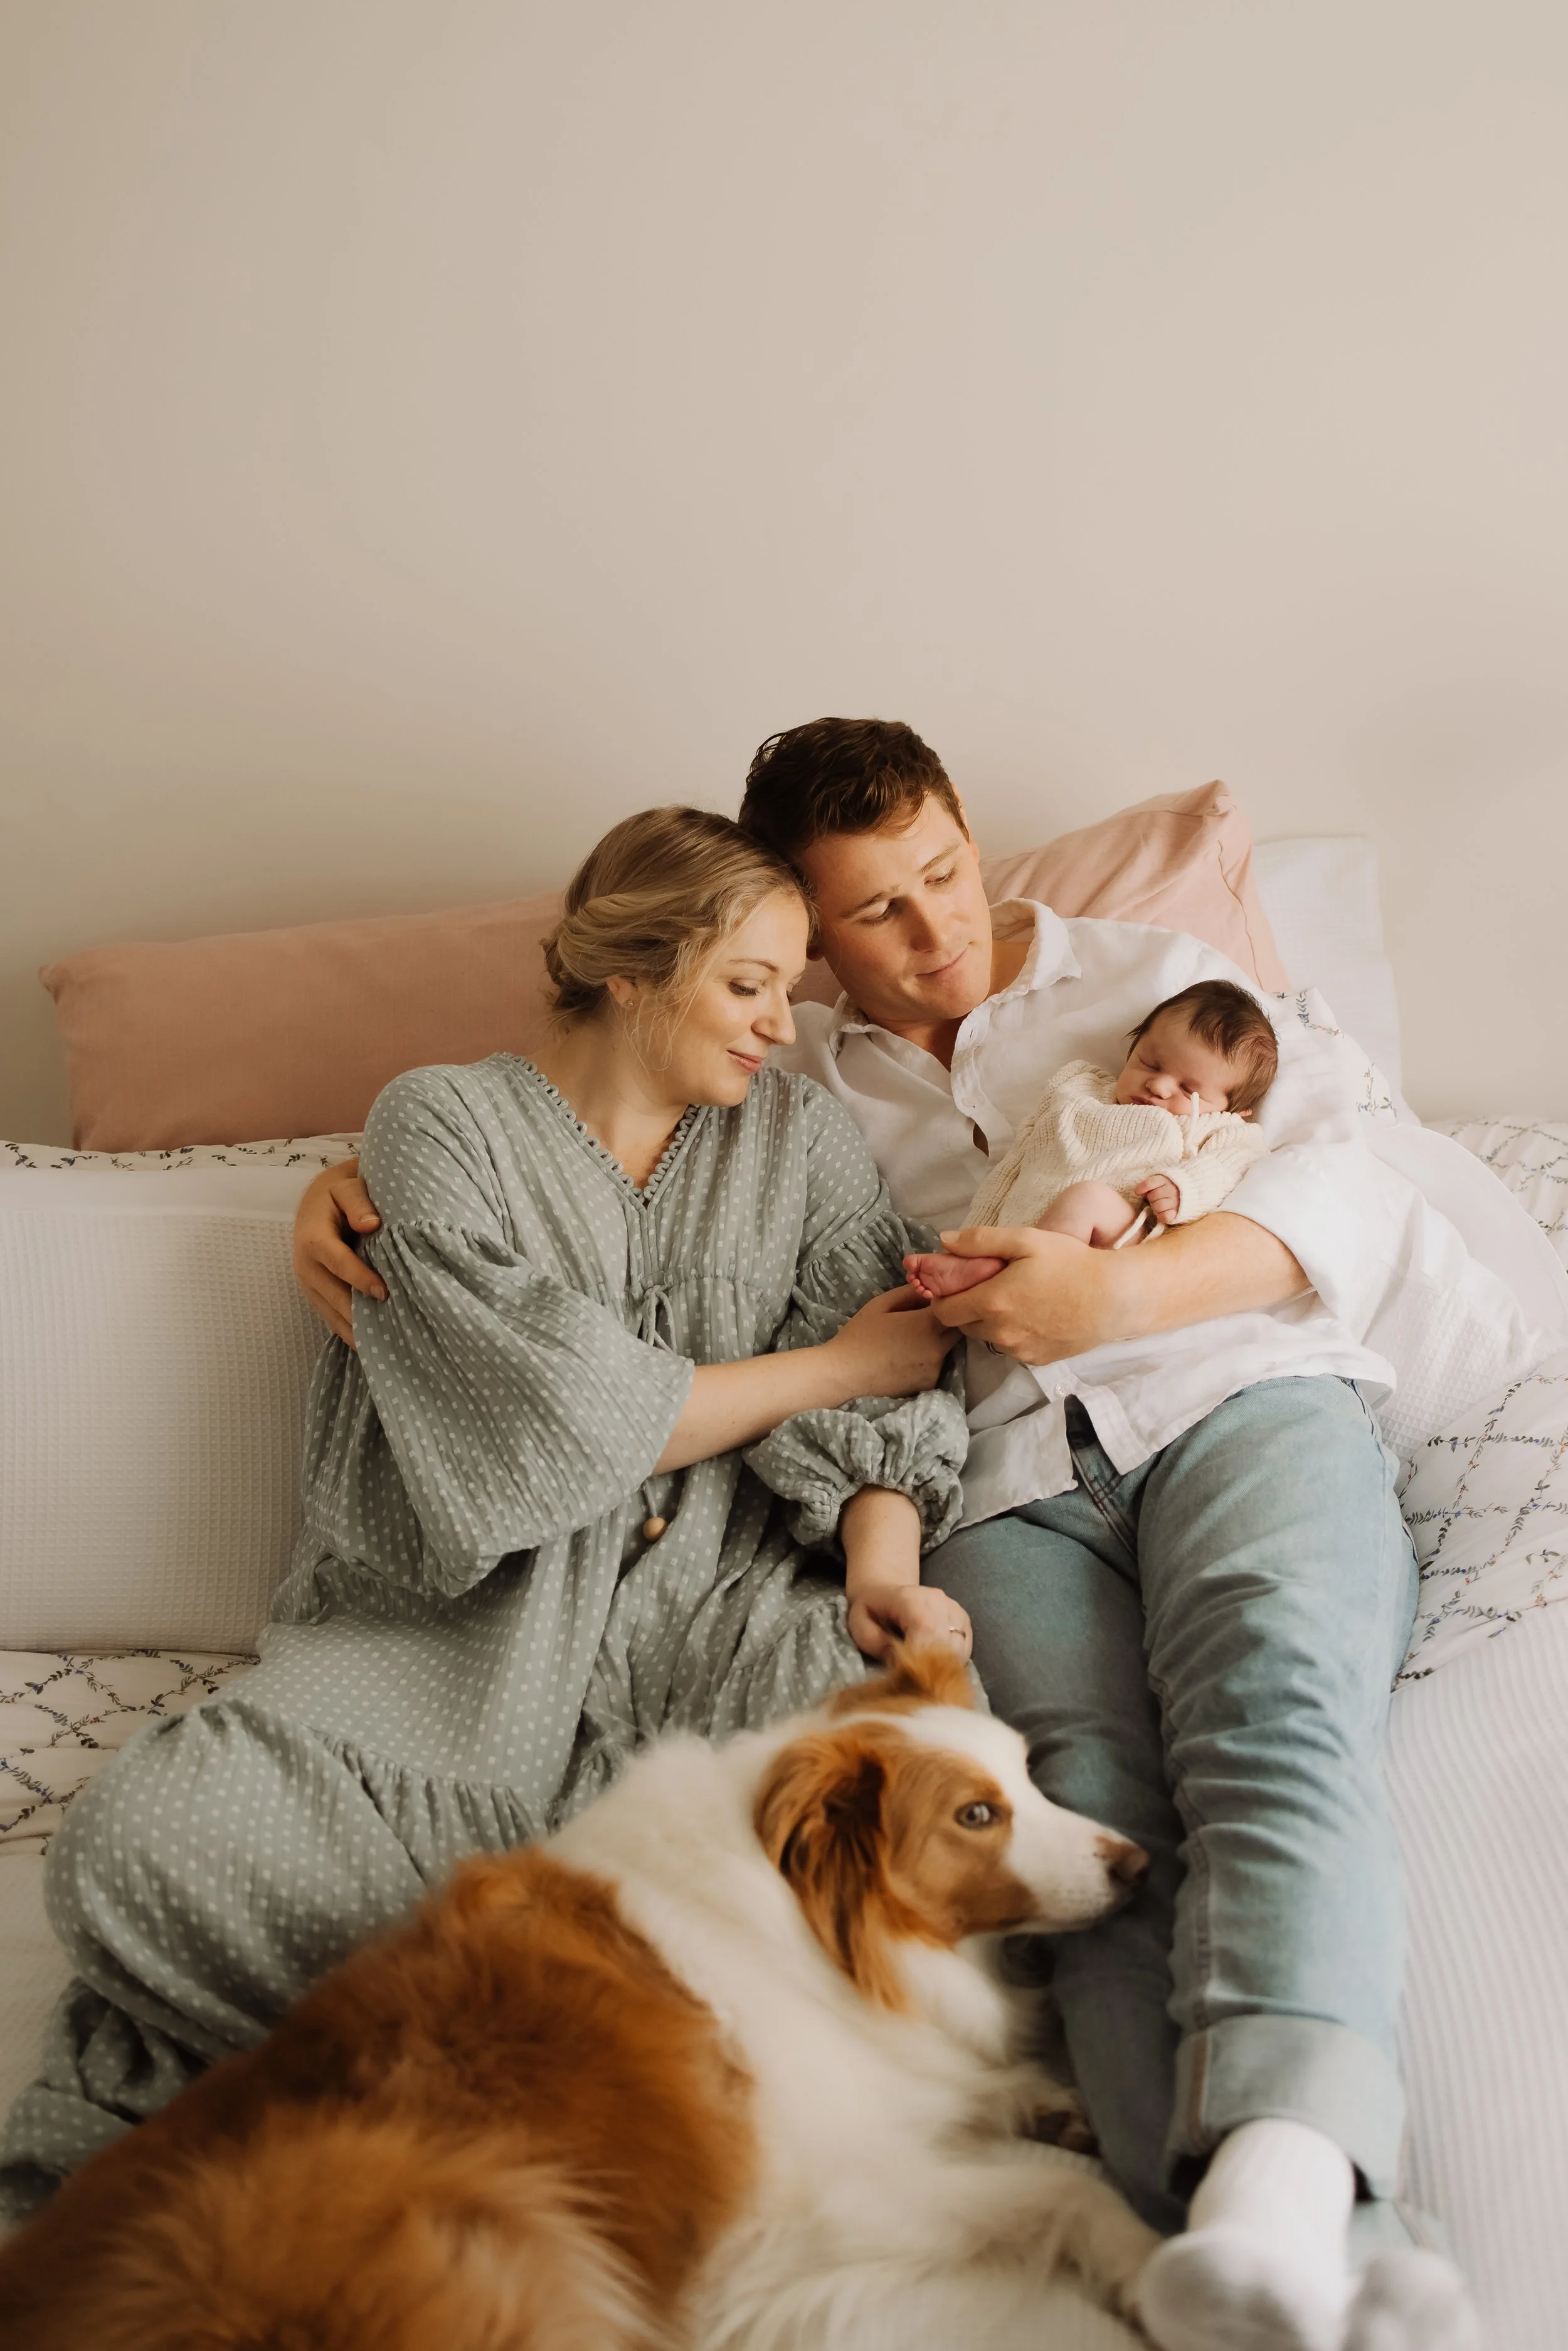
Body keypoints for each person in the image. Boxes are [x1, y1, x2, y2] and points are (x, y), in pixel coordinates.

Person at [287, 724, 1557, 2351]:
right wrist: (335, 1180)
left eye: (946, 873)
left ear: (970, 835)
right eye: (875, 912)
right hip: (1001, 1481)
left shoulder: (1157, 975)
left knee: (1271, 1701)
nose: (936, 932)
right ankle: (1265, 2268)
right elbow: (583, 1161)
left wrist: (1124, 1291)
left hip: (1235, 1390)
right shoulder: (785, 1084)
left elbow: (1351, 1173)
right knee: (1078, 1810)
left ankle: (1286, 2194)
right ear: (804, 935)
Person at [0, 806, 972, 2222]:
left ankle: (441, 2073)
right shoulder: (438, 1124)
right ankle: (553, 2087)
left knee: (867, 1824)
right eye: (749, 983)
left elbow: (893, 1375)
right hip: (440, 1642)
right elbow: (561, 1417)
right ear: (632, 969)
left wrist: (882, 1565)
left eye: (791, 983)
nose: (783, 1020)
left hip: (712, 1610)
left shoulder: (799, 1137)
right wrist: (825, 1364)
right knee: (140, 1840)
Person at [905, 977, 1276, 1292]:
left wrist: (1185, 1188)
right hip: (1026, 1226)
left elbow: (1233, 1165)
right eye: (1151, 1063)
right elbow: (1015, 1166)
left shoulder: (1217, 1127)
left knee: (1086, 1199)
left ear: (1232, 1108)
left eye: (1188, 1088)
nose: (1159, 1085)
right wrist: (969, 1242)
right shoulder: (1077, 1091)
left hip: (1123, 1242)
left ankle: (1016, 1276)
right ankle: (991, 1270)